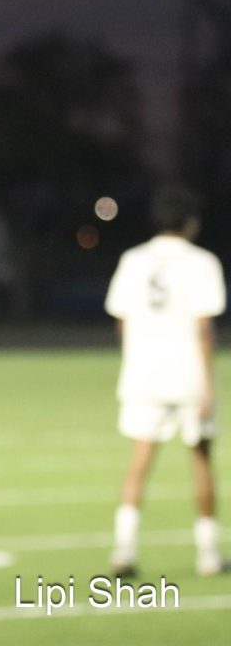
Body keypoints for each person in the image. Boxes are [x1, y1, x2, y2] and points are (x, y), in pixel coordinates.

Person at [105, 185, 227, 577]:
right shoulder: (202, 262)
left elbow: (121, 321)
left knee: (139, 460)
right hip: (188, 374)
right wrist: (208, 385)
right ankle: (208, 554)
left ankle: (123, 551)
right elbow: (204, 328)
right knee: (201, 458)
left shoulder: (132, 259)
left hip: (144, 374)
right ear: (190, 221)